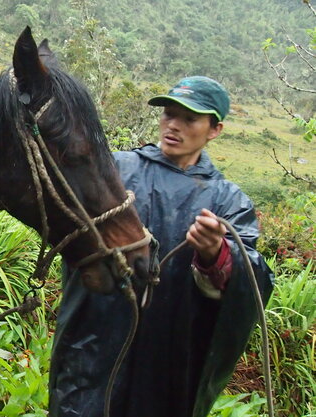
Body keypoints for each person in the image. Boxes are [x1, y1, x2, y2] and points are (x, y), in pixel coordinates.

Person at [48, 76, 275, 417]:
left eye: (189, 119)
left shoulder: (227, 201)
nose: (174, 125)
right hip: (93, 342)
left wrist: (216, 254)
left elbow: (252, 279)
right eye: (169, 114)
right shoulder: (114, 169)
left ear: (214, 129)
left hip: (171, 354)